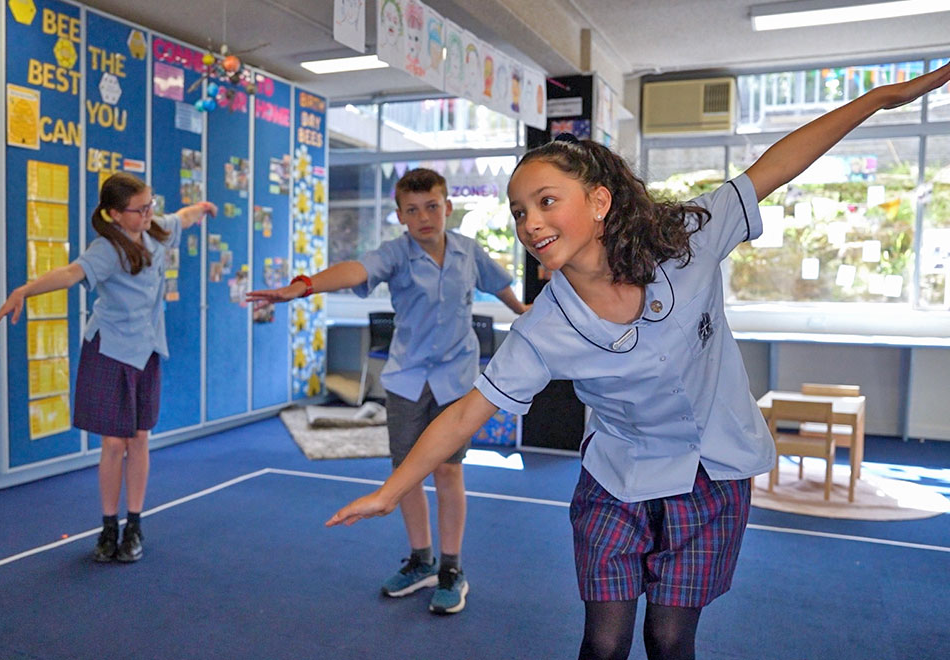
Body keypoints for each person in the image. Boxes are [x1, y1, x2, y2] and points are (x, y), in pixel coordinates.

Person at [326, 62, 950, 658]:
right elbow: (466, 415)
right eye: (519, 211)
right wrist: (391, 491)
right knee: (602, 641)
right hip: (617, 478)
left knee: (671, 640)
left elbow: (775, 166)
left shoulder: (688, 240)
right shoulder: (546, 324)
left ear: (599, 201)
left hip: (714, 471)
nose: (530, 222)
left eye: (546, 201)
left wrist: (876, 100)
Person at [247, 167, 526, 614]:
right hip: (407, 380)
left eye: (432, 206)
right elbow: (356, 269)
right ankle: (422, 560)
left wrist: (520, 309)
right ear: (400, 215)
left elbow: (499, 283)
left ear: (447, 207)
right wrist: (303, 287)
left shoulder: (469, 252)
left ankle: (452, 568)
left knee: (449, 471)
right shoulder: (395, 254)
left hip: (456, 379)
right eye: (412, 210)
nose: (424, 218)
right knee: (406, 472)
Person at [0, 172, 214, 563]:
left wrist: (201, 209)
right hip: (111, 349)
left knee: (140, 438)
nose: (148, 214)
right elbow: (70, 273)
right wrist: (23, 290)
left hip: (146, 349)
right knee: (114, 443)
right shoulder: (106, 249)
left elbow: (182, 218)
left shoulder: (155, 229)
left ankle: (135, 524)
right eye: (139, 209)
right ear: (113, 214)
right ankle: (108, 527)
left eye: (150, 205)